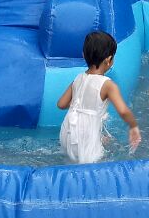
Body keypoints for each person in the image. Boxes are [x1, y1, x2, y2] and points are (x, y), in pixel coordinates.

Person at [57, 31, 142, 164]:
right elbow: (124, 111)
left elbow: (61, 104)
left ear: (83, 55)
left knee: (71, 165)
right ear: (108, 60)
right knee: (92, 166)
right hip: (86, 137)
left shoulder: (78, 79)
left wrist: (80, 108)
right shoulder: (107, 85)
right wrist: (133, 126)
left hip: (68, 131)